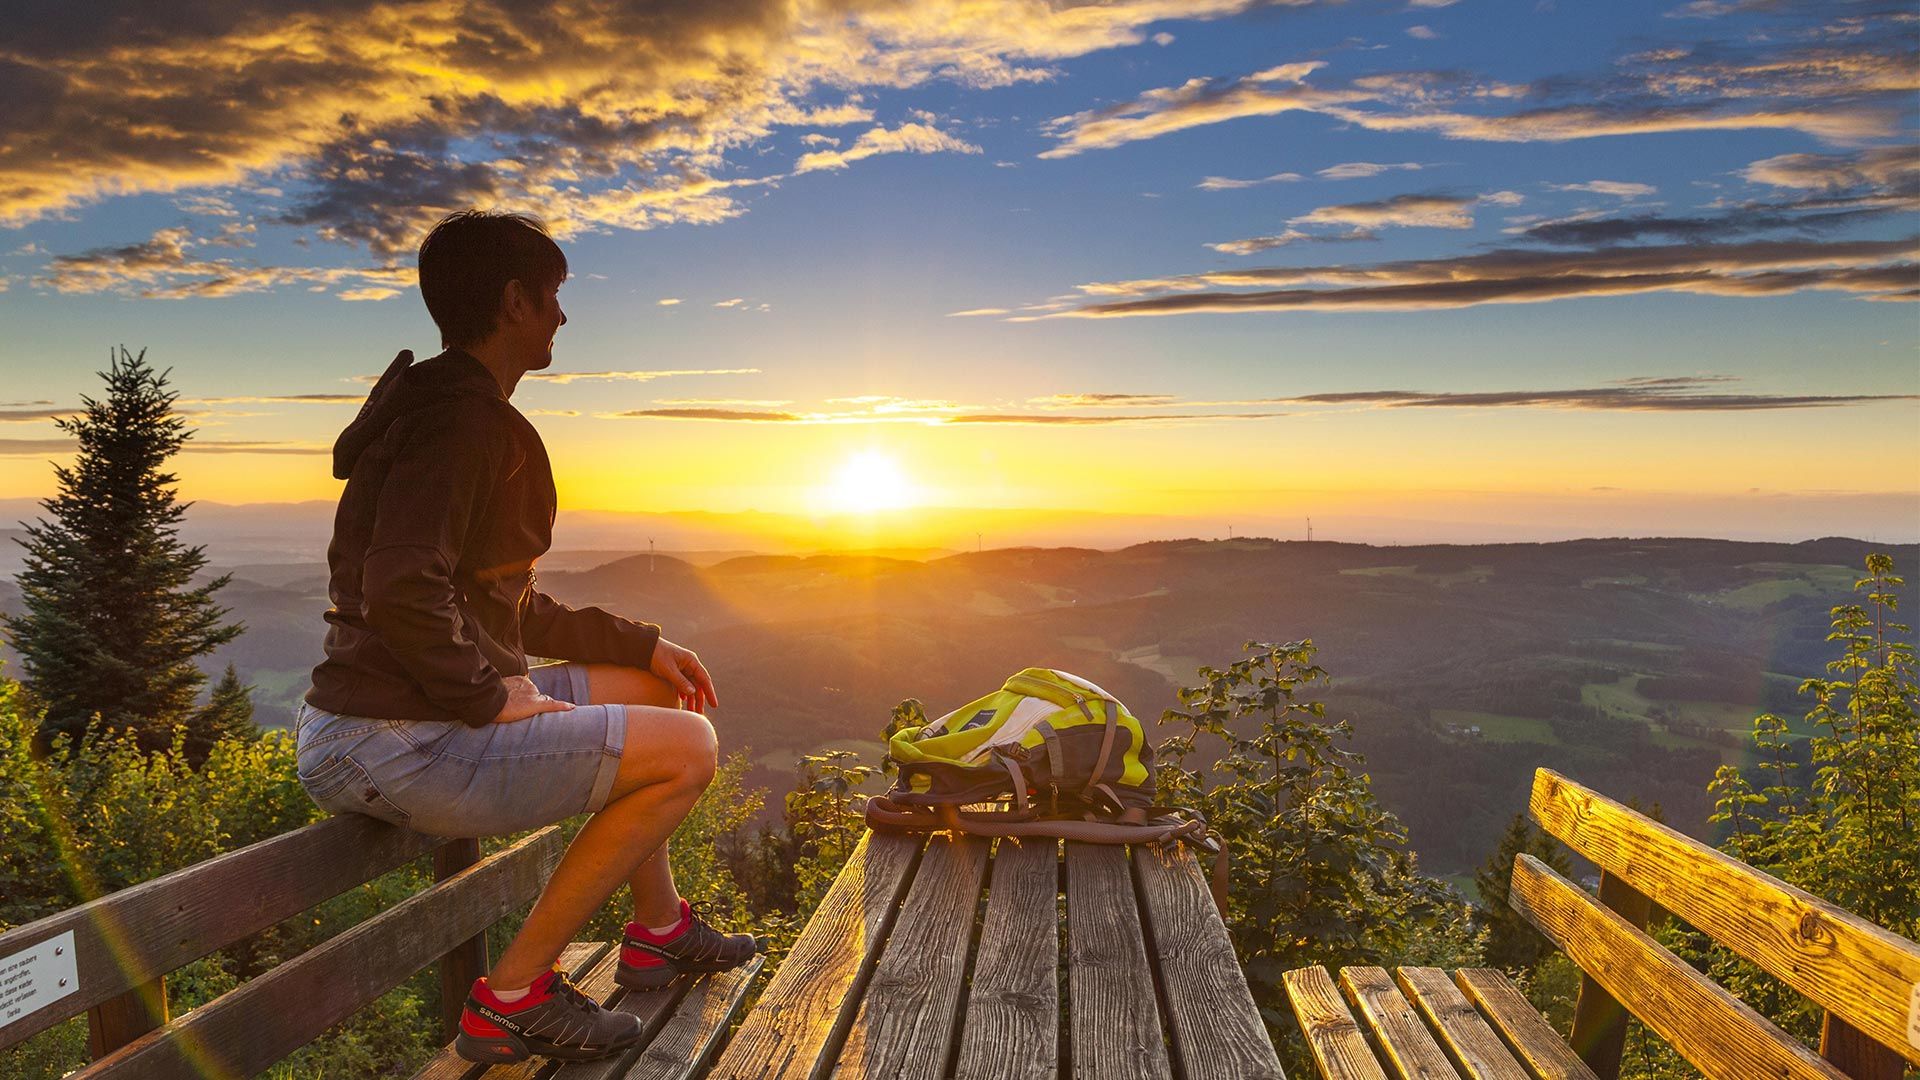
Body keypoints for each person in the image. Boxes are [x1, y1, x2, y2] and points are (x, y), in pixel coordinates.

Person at [298, 209, 760, 1065]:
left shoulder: (445, 411)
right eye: (550, 297)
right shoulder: (462, 425)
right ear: (513, 302)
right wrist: (483, 693)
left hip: (384, 722)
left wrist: (641, 643)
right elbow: (399, 583)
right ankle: (513, 996)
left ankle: (660, 932)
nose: (560, 316)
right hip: (395, 740)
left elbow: (500, 599)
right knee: (689, 749)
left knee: (662, 696)